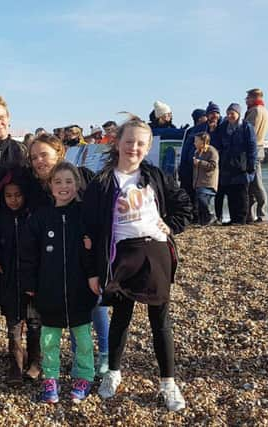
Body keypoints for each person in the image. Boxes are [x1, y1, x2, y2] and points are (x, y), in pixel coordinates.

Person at [82, 115, 192, 412]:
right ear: (117, 143)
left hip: (156, 253)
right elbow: (89, 230)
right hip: (121, 256)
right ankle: (113, 373)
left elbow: (184, 202)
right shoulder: (102, 182)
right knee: (120, 318)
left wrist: (171, 225)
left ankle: (168, 383)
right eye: (129, 141)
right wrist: (93, 271)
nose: (134, 147)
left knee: (161, 322)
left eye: (141, 143)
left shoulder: (155, 175)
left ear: (148, 147)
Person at [21, 162, 97, 403]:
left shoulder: (85, 214)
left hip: (80, 290)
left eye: (68, 181)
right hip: (49, 290)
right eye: (58, 182)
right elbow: (29, 254)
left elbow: (95, 251)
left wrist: (94, 274)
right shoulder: (41, 217)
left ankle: (84, 375)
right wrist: (31, 283)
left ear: (77, 185)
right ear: (50, 186)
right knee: (49, 339)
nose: (63, 186)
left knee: (83, 339)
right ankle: (50, 378)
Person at [0, 169, 41, 384]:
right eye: (8, 196)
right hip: (9, 281)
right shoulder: (0, 218)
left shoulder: (32, 217)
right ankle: (16, 362)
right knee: (13, 325)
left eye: (18, 195)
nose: (13, 200)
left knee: (33, 324)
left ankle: (35, 361)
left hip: (32, 280)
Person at [211, 103, 257, 225]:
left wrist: (251, 165)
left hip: (242, 164)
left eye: (232, 113)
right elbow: (217, 142)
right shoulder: (223, 126)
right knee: (231, 192)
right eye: (228, 113)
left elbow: (252, 147)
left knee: (241, 193)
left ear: (238, 114)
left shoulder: (246, 127)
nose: (230, 116)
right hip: (227, 164)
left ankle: (241, 219)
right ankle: (233, 219)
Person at [179, 102, 222, 222]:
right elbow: (187, 150)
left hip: (204, 173)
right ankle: (199, 218)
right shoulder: (194, 132)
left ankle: (209, 217)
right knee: (195, 196)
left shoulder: (211, 131)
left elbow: (212, 158)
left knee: (204, 197)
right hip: (191, 170)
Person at [244, 88, 268, 224]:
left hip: (254, 149)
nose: (246, 100)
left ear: (253, 97)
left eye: (247, 98)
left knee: (256, 183)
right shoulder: (264, 110)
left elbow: (249, 131)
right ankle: (251, 215)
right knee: (252, 184)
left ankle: (262, 214)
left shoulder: (255, 111)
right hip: (259, 148)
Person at [192, 132, 219, 225]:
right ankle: (204, 221)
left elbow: (213, 165)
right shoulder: (197, 152)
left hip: (208, 182)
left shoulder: (212, 151)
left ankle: (211, 216)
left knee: (203, 200)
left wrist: (200, 162)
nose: (194, 143)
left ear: (203, 141)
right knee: (200, 202)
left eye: (196, 141)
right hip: (198, 182)